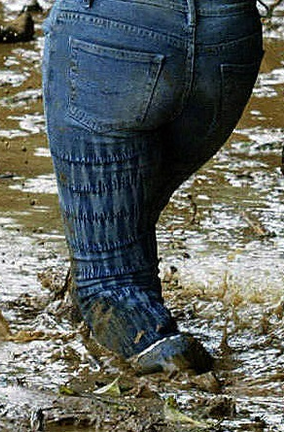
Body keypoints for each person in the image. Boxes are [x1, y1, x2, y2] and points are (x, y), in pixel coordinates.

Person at [41, 0, 263, 374]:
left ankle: (170, 361)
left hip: (110, 36)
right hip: (228, 38)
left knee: (109, 278)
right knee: (126, 226)